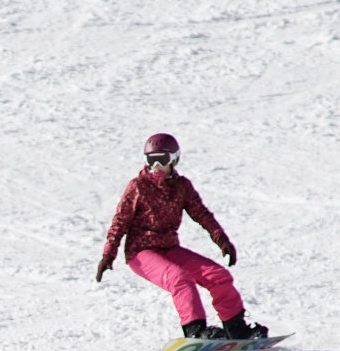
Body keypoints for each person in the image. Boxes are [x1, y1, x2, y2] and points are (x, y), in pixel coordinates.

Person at [96, 132, 269, 339]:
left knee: (218, 275)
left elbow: (201, 214)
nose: (157, 165)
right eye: (152, 160)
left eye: (163, 158)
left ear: (175, 159)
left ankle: (237, 329)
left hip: (169, 248)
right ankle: (195, 330)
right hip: (141, 252)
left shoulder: (182, 186)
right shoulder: (138, 186)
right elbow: (119, 222)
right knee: (179, 278)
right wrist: (108, 255)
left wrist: (221, 239)